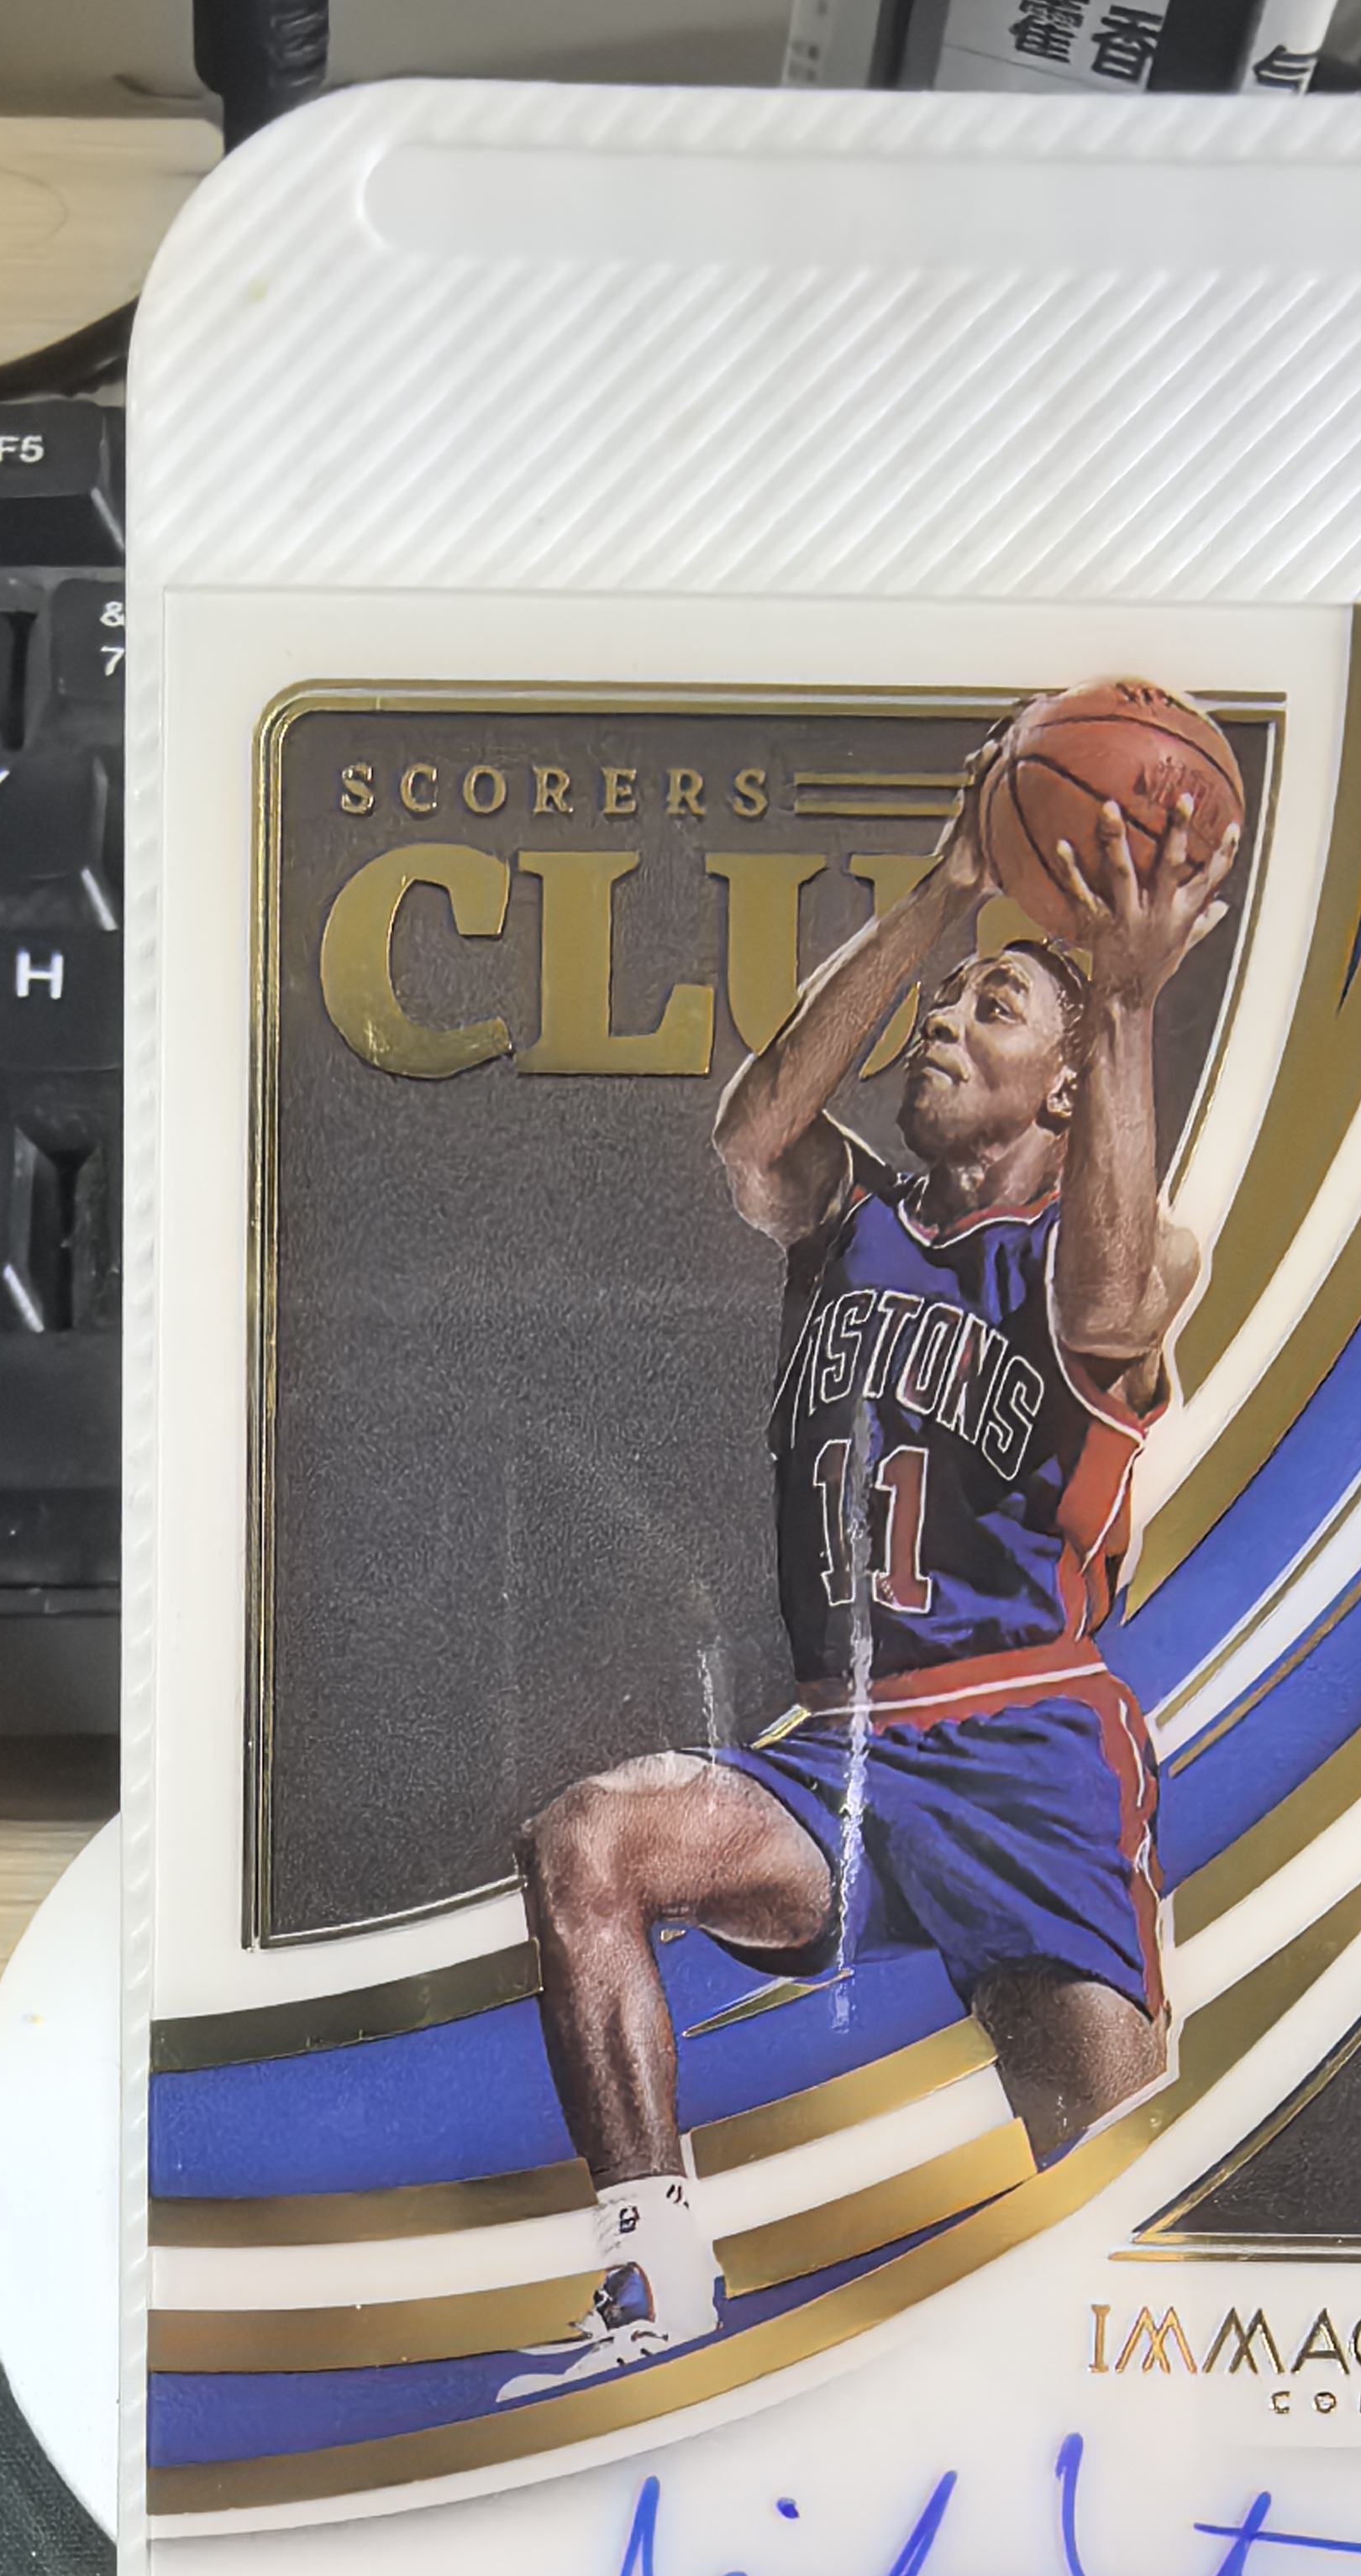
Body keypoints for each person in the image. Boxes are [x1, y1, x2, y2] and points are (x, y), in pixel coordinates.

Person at [506, 737, 1238, 2395]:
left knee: (1123, 2207)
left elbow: (1112, 1305)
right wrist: (944, 896)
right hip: (841, 1746)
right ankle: (655, 2280)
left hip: (1030, 1746)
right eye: (945, 1002)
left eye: (995, 1007)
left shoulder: (1126, 1246)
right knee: (589, 1840)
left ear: (1067, 1087)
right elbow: (754, 1130)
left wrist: (1126, 1004)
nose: (942, 1022)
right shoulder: (856, 1218)